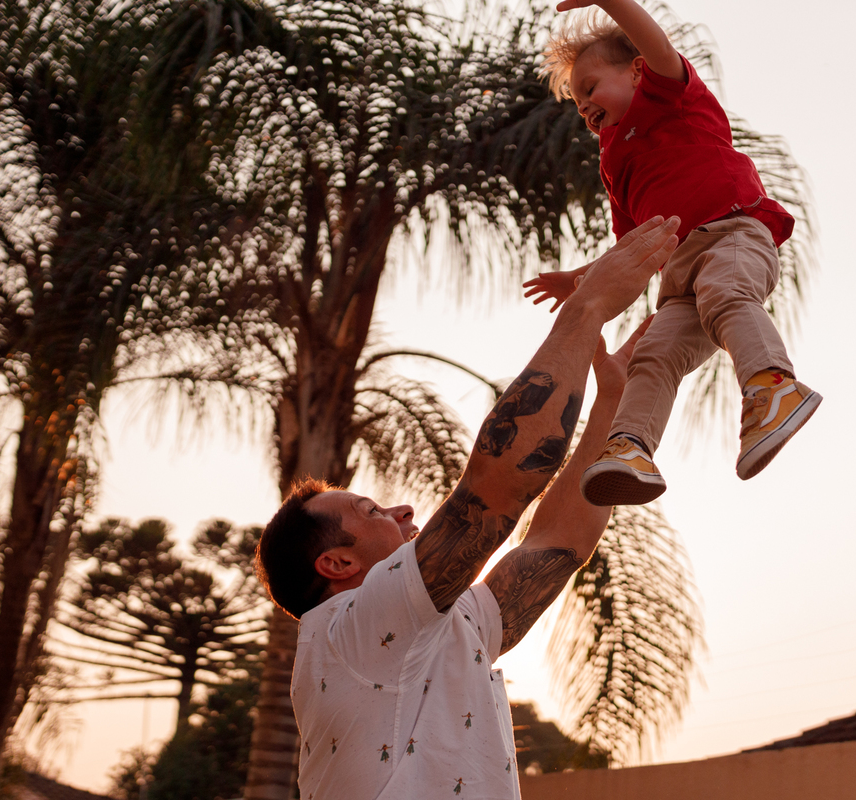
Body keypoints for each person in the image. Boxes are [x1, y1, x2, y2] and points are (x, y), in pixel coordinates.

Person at [255, 216, 678, 800]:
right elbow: (496, 489)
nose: (402, 509)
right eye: (370, 510)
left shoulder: (445, 626)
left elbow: (556, 547)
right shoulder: (346, 630)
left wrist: (611, 399)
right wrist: (587, 307)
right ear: (336, 565)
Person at [524, 0, 822, 506]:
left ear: (637, 72)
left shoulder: (668, 97)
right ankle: (631, 446)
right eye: (578, 104)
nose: (584, 108)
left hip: (733, 233)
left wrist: (609, 2)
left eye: (590, 88)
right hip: (679, 280)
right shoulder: (615, 161)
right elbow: (631, 246)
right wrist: (579, 276)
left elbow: (656, 43)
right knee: (653, 356)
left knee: (725, 292)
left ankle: (773, 385)